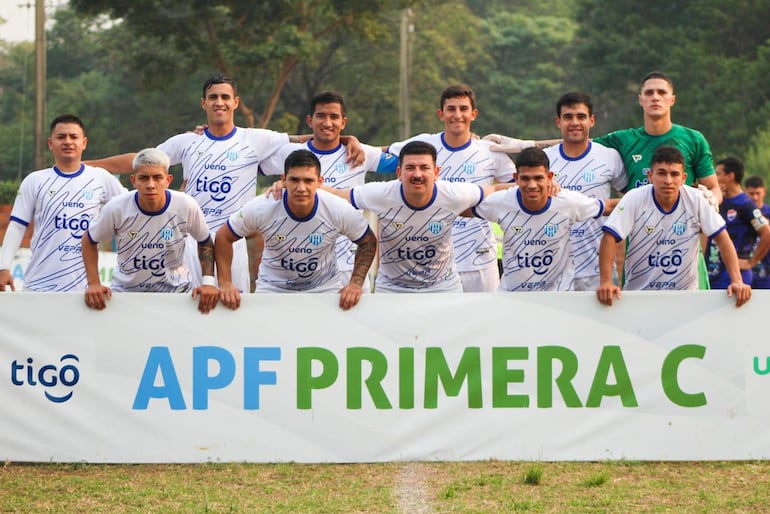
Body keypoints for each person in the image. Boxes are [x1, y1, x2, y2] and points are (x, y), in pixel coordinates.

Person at [385, 84, 519, 293]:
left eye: (463, 109)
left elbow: (521, 187)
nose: (457, 115)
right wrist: (350, 141)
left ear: (473, 114)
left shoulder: (491, 152)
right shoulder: (422, 145)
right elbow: (375, 155)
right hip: (435, 263)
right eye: (451, 109)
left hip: (481, 260)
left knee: (485, 323)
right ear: (441, 114)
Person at [323, 141, 505, 293]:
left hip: (442, 287)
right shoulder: (381, 194)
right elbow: (341, 196)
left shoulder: (454, 194)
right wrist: (305, 187)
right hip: (392, 288)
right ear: (398, 173)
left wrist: (530, 185)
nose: (417, 174)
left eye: (424, 167)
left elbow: (494, 190)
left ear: (436, 173)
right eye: (410, 168)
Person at [215, 149, 377, 310]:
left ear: (320, 182)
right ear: (283, 180)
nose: (301, 188)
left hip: (324, 288)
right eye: (294, 180)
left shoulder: (337, 208)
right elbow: (223, 236)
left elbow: (368, 241)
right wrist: (225, 283)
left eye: (308, 181)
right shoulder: (262, 207)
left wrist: (356, 283)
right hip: (273, 288)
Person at [259, 91, 389, 289]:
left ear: (343, 122)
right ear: (310, 120)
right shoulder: (290, 153)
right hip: (303, 266)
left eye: (334, 117)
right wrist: (209, 137)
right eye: (321, 116)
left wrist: (350, 139)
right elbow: (247, 164)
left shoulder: (359, 153)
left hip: (348, 265)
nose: (327, 123)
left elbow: (406, 158)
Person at [597, 146, 750, 307]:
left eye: (674, 174)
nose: (668, 180)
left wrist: (737, 281)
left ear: (684, 178)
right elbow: (609, 237)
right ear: (650, 176)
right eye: (662, 173)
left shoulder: (696, 199)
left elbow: (722, 238)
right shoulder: (634, 198)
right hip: (639, 297)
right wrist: (606, 282)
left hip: (685, 299)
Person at [0, 114, 127, 292]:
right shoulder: (35, 180)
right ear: (50, 143)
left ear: (84, 143)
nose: (68, 142)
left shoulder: (100, 177)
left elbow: (131, 209)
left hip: (85, 289)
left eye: (73, 137)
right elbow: (17, 226)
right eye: (61, 137)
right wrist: (3, 267)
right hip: (39, 285)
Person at [82, 148, 218, 313]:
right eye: (144, 178)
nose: (150, 185)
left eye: (157, 177)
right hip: (126, 293)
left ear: (168, 180)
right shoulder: (116, 207)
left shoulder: (186, 204)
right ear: (134, 181)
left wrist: (208, 283)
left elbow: (205, 241)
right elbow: (89, 239)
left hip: (175, 292)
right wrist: (94, 283)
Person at [471, 147, 613, 291]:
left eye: (538, 178)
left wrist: (636, 199)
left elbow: (608, 207)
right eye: (525, 178)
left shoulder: (567, 202)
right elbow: (460, 207)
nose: (532, 185)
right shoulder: (501, 202)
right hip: (512, 298)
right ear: (516, 178)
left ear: (550, 177)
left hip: (557, 298)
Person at [543, 92, 627, 290]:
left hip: (598, 270)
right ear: (558, 122)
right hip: (553, 270)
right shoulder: (544, 160)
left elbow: (630, 200)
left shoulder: (609, 157)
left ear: (592, 120)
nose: (574, 122)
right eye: (568, 117)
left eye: (581, 117)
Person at [706, 157, 770, 289]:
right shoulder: (720, 200)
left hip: (735, 275)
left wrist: (751, 262)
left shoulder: (745, 204)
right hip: (714, 272)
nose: (715, 177)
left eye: (718, 173)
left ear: (730, 176)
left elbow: (767, 233)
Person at [744, 176, 770, 289]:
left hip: (766, 270)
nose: (755, 197)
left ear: (764, 192)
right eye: (751, 193)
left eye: (757, 193)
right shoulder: (741, 213)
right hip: (745, 267)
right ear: (745, 192)